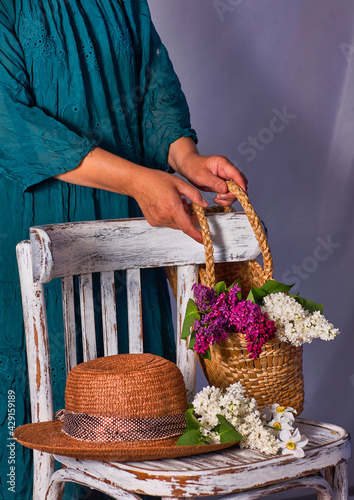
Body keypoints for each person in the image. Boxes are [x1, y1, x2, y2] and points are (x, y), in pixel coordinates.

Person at [0, 1, 247, 498]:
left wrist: (187, 157)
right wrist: (138, 179)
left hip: (133, 234)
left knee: (140, 401)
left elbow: (156, 98)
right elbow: (11, 126)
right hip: (39, 227)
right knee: (38, 403)